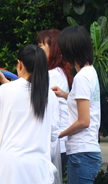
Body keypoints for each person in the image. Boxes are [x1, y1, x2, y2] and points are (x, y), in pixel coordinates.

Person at [0, 44, 60, 184]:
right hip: (38, 170)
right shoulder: (50, 96)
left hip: (9, 169)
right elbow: (53, 134)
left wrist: (6, 122)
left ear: (20, 64)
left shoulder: (5, 91)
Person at [52, 26, 102, 184]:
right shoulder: (90, 72)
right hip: (88, 151)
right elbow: (86, 102)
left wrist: (59, 134)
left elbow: (83, 121)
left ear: (71, 50)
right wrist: (65, 94)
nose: (61, 53)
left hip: (82, 152)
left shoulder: (81, 78)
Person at [36, 29, 73, 178]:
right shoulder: (60, 71)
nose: (37, 51)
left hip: (56, 142)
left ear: (54, 49)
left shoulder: (52, 74)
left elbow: (28, 95)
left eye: (41, 46)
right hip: (60, 142)